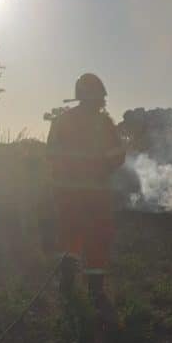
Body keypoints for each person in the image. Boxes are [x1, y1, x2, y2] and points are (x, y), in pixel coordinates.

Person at [47, 73, 126, 302]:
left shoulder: (61, 121)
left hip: (65, 191)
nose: (103, 100)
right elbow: (118, 157)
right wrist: (101, 169)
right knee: (98, 236)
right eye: (101, 96)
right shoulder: (104, 123)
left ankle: (66, 282)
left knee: (69, 233)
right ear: (97, 96)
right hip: (96, 192)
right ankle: (95, 289)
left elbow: (51, 154)